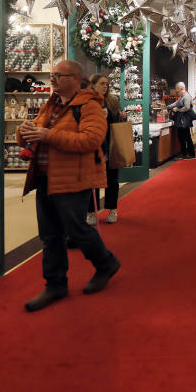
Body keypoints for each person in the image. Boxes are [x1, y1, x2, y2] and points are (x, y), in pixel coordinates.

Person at [17, 59, 120, 312]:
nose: (52, 79)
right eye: (52, 75)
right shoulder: (51, 105)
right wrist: (25, 131)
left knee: (76, 230)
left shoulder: (89, 106)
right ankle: (55, 284)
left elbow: (91, 140)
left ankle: (105, 263)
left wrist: (48, 135)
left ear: (75, 79)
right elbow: (31, 136)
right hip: (45, 178)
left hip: (73, 179)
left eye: (58, 76)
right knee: (50, 235)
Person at [88, 73, 126, 224]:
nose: (105, 86)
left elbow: (117, 121)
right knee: (92, 181)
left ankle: (113, 210)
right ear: (93, 84)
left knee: (112, 180)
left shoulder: (112, 101)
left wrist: (121, 116)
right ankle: (91, 212)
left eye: (107, 84)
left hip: (110, 146)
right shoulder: (88, 101)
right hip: (92, 147)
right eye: (102, 83)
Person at [167, 81, 196, 159]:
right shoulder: (182, 96)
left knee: (186, 137)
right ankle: (184, 153)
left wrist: (177, 110)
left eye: (177, 89)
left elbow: (187, 107)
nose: (176, 90)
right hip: (182, 120)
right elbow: (176, 103)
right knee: (181, 137)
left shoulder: (186, 96)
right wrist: (167, 107)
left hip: (185, 120)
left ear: (179, 88)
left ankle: (191, 154)